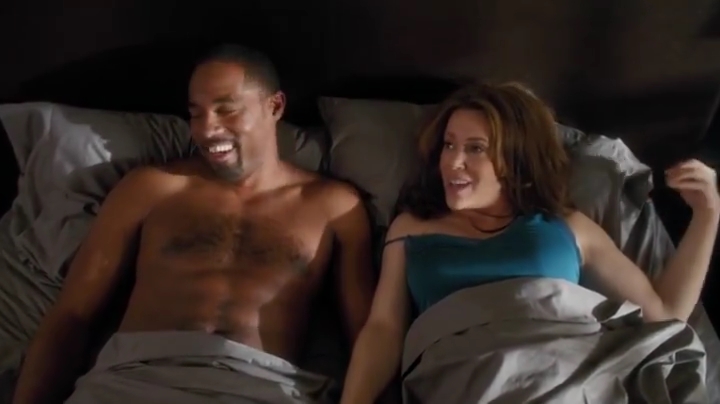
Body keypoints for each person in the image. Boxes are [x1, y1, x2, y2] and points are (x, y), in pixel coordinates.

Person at [12, 44, 376, 404]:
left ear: (275, 106)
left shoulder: (334, 206)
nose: (206, 129)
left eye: (226, 110)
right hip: (134, 380)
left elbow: (368, 335)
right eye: (195, 113)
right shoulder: (151, 188)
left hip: (264, 387)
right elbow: (72, 314)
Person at [339, 82, 720, 404]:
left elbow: (665, 317)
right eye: (449, 145)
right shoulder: (412, 227)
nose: (452, 163)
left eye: (475, 148)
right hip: (466, 377)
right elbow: (383, 329)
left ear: (515, 159)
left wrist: (707, 216)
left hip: (567, 370)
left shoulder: (567, 225)